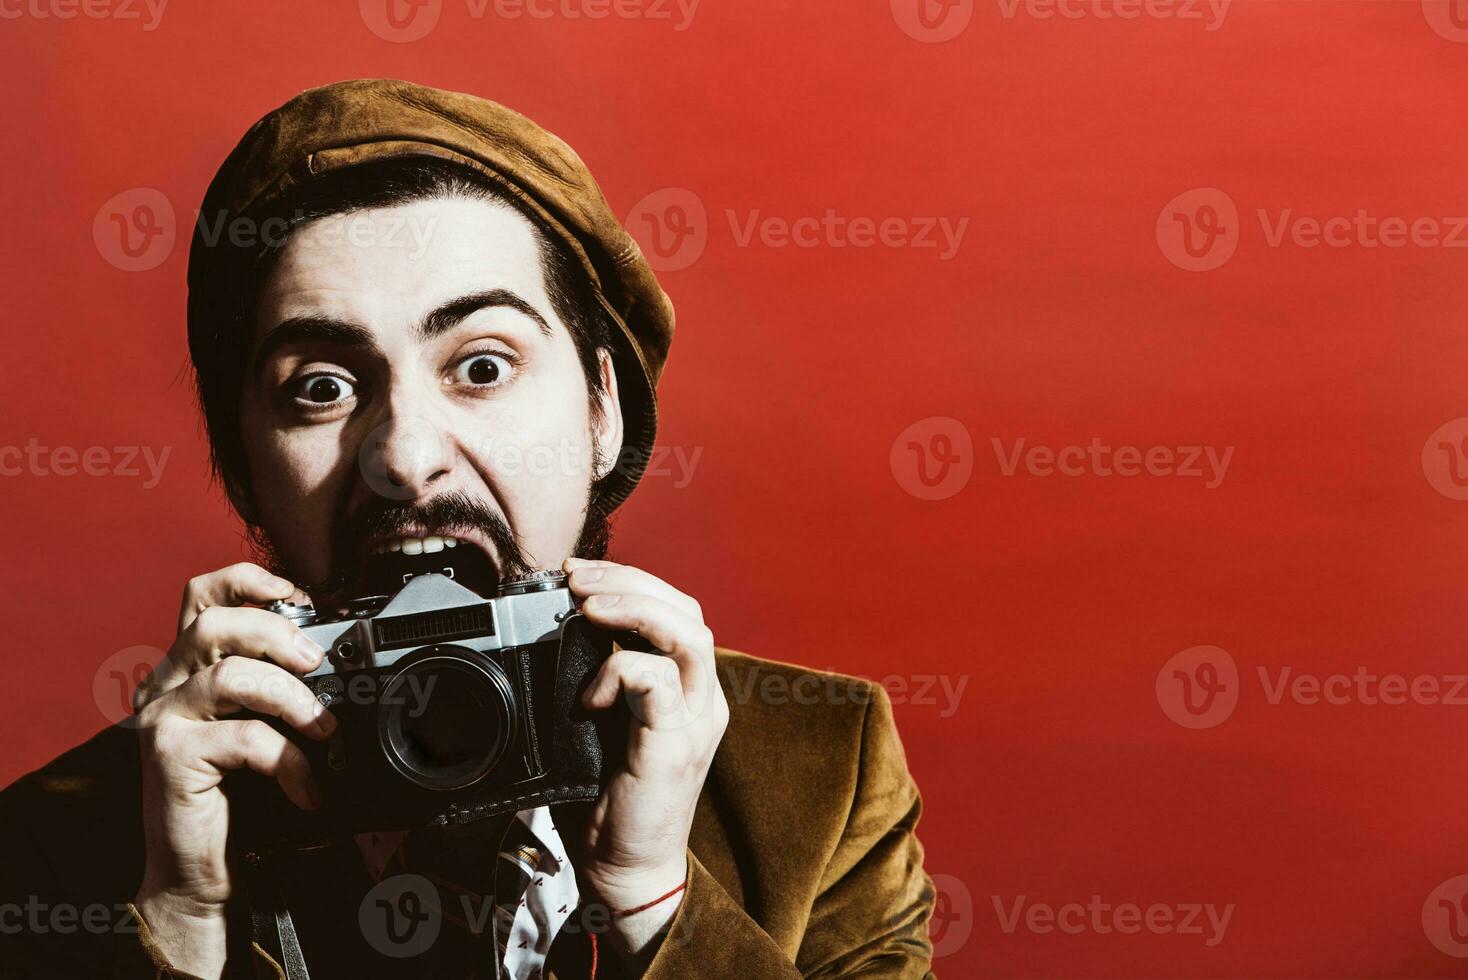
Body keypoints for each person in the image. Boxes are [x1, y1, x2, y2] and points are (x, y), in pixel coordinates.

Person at [0, 79, 935, 979]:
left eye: (482, 366)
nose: (403, 458)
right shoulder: (53, 845)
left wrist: (654, 902)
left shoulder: (819, 777)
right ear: (245, 465)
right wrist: (181, 925)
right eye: (321, 387)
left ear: (602, 410)